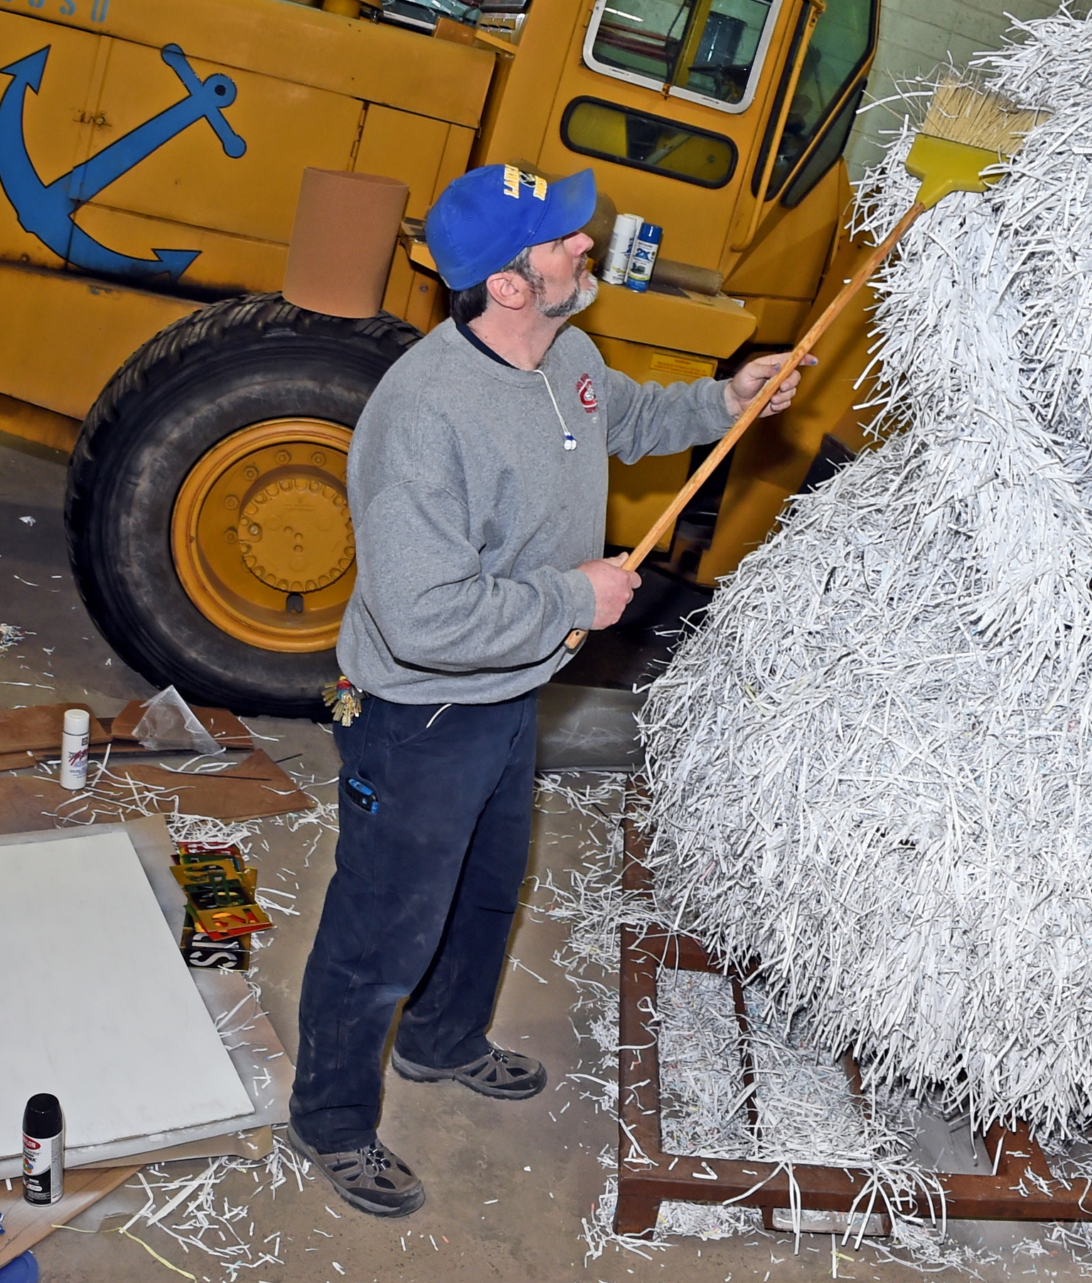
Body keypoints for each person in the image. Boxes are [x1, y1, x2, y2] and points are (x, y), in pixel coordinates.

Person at [285, 162, 808, 1215]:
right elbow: (420, 616)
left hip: (511, 692)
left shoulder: (566, 350)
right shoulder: (425, 417)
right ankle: (330, 1120)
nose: (585, 245)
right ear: (509, 286)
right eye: (562, 240)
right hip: (421, 711)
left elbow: (622, 419)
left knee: (485, 892)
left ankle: (442, 1042)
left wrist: (724, 400)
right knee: (385, 924)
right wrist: (570, 592)